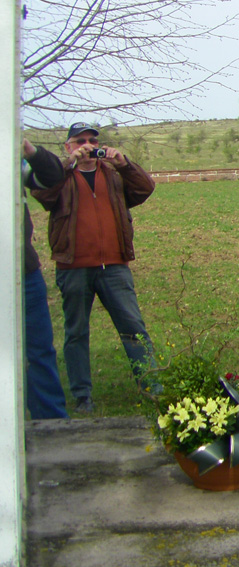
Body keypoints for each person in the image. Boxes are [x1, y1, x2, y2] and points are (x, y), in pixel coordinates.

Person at [31, 122, 160, 413]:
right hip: (73, 267)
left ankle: (153, 386)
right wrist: (68, 165)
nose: (87, 146)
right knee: (76, 332)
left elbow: (145, 188)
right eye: (79, 141)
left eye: (91, 140)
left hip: (114, 266)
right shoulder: (60, 177)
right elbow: (42, 195)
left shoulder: (113, 175)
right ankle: (82, 395)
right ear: (68, 147)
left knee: (134, 329)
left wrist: (124, 164)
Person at [21, 139, 69, 419]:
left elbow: (51, 178)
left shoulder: (12, 161)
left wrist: (31, 152)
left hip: (23, 275)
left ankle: (52, 424)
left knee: (38, 352)